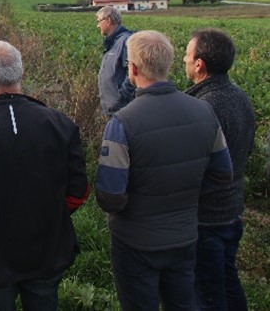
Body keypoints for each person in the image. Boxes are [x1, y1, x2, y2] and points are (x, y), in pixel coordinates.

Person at [95, 30, 233, 310]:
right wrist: (186, 195)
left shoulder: (122, 122)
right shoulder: (204, 112)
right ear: (168, 65)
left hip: (135, 243)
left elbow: (110, 196)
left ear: (132, 69)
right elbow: (223, 173)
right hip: (184, 237)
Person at [0, 41, 90, 310]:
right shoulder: (60, 124)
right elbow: (79, 190)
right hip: (47, 247)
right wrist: (53, 217)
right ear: (22, 74)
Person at [183, 28, 256, 309]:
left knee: (208, 293)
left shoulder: (204, 107)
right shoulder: (239, 97)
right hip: (232, 210)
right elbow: (246, 150)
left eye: (188, 56)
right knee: (228, 279)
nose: (184, 61)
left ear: (200, 64)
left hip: (207, 217)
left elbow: (195, 167)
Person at [96, 6, 134, 116]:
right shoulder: (113, 42)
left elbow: (132, 71)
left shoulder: (125, 40)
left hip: (121, 109)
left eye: (99, 21)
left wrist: (121, 98)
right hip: (113, 108)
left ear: (108, 21)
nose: (98, 26)